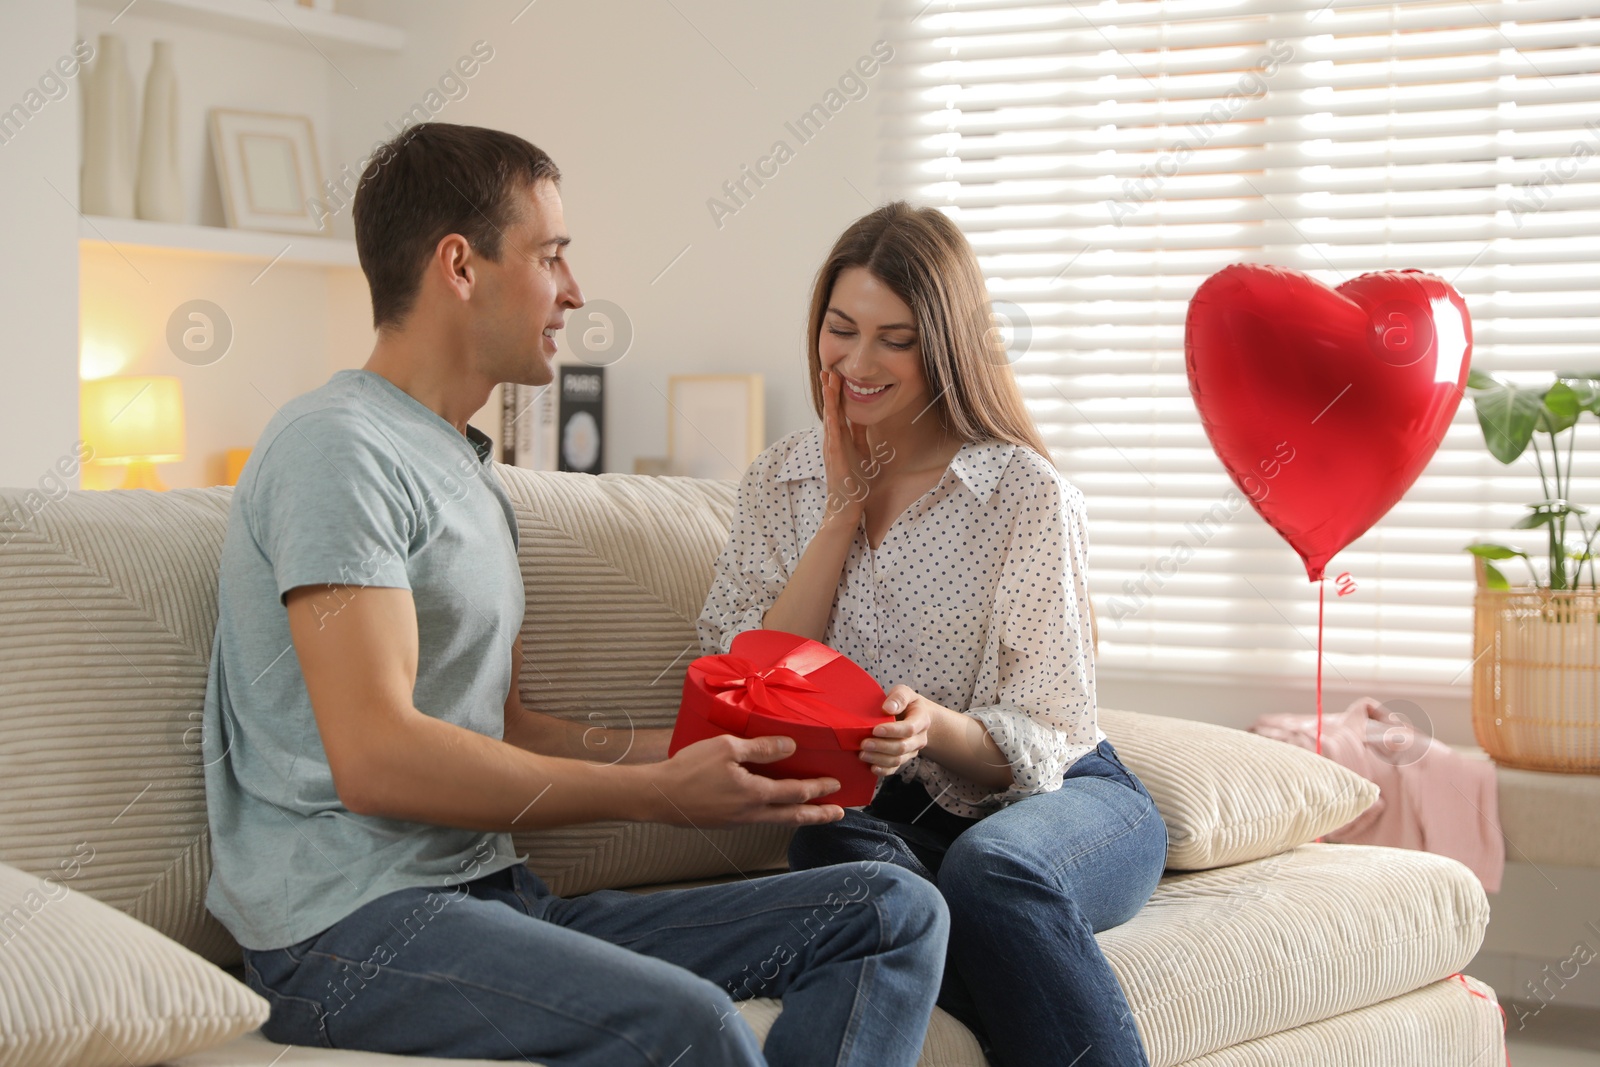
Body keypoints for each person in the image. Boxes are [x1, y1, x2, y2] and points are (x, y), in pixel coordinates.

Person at [200, 123, 950, 1067]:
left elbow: (502, 727)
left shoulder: (469, 473)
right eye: (551, 255)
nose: (575, 291)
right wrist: (654, 795)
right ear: (459, 266)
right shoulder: (336, 446)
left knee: (890, 909)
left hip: (493, 898)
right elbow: (377, 756)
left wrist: (713, 757)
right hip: (348, 930)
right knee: (691, 1028)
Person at [698, 202, 1168, 1067]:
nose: (859, 362)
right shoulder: (784, 480)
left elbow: (1051, 730)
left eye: (896, 339)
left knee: (991, 873)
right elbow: (749, 683)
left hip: (1056, 795)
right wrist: (842, 511)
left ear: (942, 345)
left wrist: (934, 727)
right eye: (842, 331)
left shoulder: (1024, 495)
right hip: (886, 813)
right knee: (842, 863)